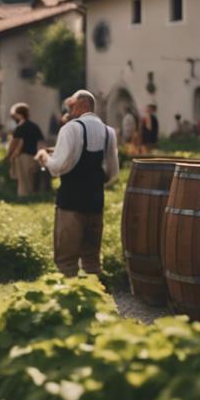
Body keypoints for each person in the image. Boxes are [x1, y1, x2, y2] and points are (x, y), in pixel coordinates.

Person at [35, 90, 119, 277]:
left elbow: (57, 167)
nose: (68, 110)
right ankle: (98, 298)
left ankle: (70, 299)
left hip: (71, 204)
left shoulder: (70, 129)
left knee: (66, 262)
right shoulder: (109, 132)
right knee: (92, 261)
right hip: (96, 202)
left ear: (83, 105)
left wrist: (44, 157)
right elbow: (113, 173)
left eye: (71, 105)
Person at [6, 103, 44, 197]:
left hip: (23, 156)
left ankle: (23, 198)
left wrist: (8, 155)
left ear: (19, 114)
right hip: (34, 156)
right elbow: (41, 142)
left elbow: (15, 143)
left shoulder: (20, 127)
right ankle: (31, 197)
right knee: (30, 179)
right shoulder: (35, 126)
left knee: (23, 180)